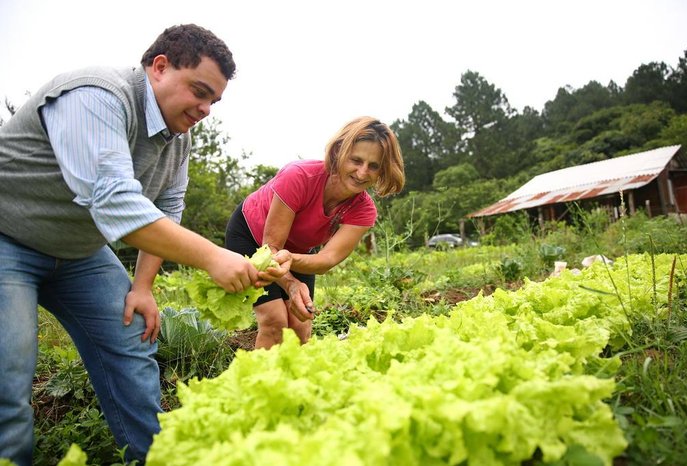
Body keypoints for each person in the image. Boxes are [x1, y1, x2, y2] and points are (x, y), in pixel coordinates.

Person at [0, 24, 290, 465]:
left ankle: (152, 456)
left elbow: (166, 208)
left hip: (78, 251)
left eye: (214, 100)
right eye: (199, 91)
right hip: (8, 236)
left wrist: (144, 286)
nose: (206, 108)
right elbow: (115, 202)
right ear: (159, 67)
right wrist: (214, 256)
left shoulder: (178, 139)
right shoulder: (96, 95)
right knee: (9, 372)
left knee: (133, 336)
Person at [225, 116, 405, 349]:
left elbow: (326, 259)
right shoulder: (299, 176)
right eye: (356, 160)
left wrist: (292, 262)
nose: (362, 173)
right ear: (340, 151)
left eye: (373, 166)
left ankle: (294, 383)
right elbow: (271, 249)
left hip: (297, 252)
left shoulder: (363, 210)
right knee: (275, 321)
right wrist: (290, 284)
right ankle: (260, 382)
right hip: (252, 238)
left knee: (301, 327)